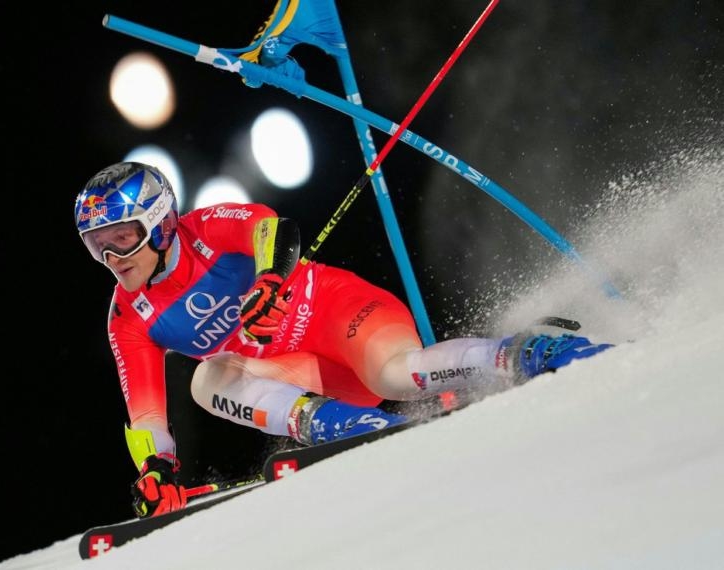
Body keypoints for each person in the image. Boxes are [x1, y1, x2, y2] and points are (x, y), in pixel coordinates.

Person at [74, 161, 613, 518]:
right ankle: (354, 426)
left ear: (160, 223)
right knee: (207, 378)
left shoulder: (202, 228)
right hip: (307, 372)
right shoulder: (127, 317)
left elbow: (271, 228)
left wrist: (268, 280)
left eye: (122, 237)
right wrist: (157, 470)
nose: (112, 258)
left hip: (341, 313)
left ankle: (532, 351)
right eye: (98, 245)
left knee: (396, 375)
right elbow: (146, 416)